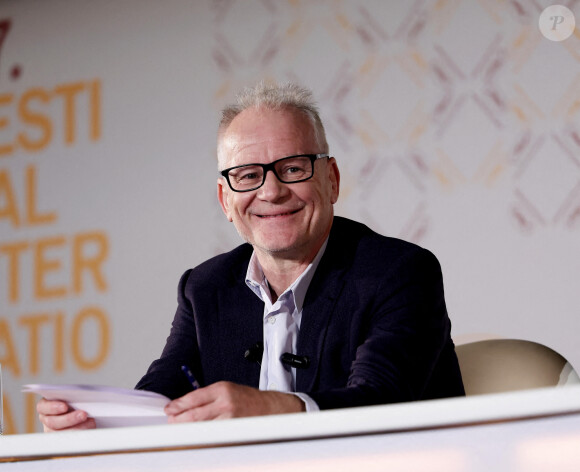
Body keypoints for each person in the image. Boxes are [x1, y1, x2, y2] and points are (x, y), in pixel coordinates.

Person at [37, 82, 463, 431]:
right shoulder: (204, 288)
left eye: (293, 168)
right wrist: (96, 422)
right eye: (248, 175)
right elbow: (163, 394)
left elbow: (382, 404)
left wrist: (271, 409)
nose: (271, 191)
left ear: (331, 180)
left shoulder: (401, 273)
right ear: (226, 200)